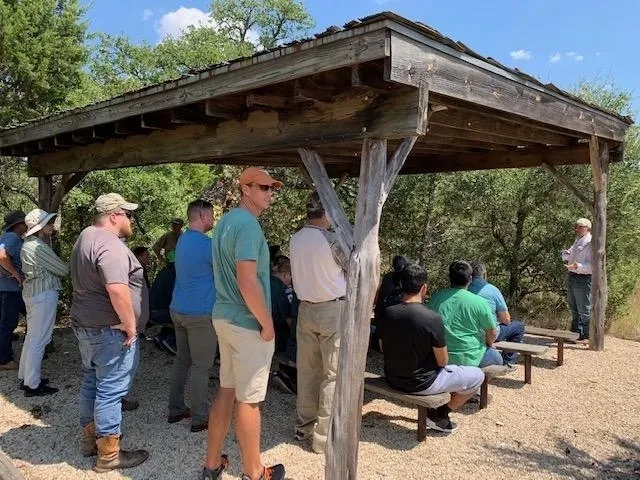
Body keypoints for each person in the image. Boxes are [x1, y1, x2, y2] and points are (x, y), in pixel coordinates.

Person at [203, 168, 285, 480]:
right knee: (249, 401)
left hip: (223, 316)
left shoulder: (225, 222)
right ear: (245, 189)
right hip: (246, 321)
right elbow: (247, 281)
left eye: (272, 188)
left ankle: (212, 465)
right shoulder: (248, 226)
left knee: (226, 391)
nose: (269, 193)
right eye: (263, 187)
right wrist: (267, 323)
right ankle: (255, 472)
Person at [71, 193, 149, 472]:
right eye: (127, 214)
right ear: (114, 216)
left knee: (91, 382)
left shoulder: (86, 237)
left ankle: (89, 440)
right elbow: (117, 288)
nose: (130, 219)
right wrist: (130, 324)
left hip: (87, 327)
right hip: (109, 331)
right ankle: (109, 455)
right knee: (110, 391)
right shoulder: (110, 244)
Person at [377, 263, 484, 433]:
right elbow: (443, 361)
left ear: (401, 285)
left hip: (393, 377)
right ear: (424, 288)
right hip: (422, 383)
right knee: (478, 375)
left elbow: (383, 347)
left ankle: (439, 414)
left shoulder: (387, 313)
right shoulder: (432, 318)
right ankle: (439, 415)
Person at [289, 191, 348, 454]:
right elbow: (353, 267)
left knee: (308, 370)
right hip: (331, 309)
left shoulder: (295, 238)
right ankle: (323, 438)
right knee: (332, 375)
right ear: (327, 213)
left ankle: (304, 425)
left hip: (305, 309)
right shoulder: (333, 240)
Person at [168, 199, 218, 433]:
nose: (214, 219)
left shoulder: (182, 240)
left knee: (182, 360)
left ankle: (176, 408)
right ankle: (200, 417)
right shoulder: (208, 245)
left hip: (178, 308)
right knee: (202, 366)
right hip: (200, 313)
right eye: (212, 215)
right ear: (202, 216)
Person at [18, 209, 68, 396]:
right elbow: (62, 270)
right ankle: (33, 384)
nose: (52, 225)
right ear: (40, 227)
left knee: (32, 337)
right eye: (48, 223)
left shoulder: (28, 244)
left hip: (33, 293)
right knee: (40, 339)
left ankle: (25, 377)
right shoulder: (38, 246)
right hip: (43, 294)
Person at [427, 261, 503, 368]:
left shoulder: (435, 298)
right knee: (497, 358)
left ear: (450, 278)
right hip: (470, 357)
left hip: (439, 355)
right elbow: (492, 331)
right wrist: (489, 344)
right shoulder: (479, 302)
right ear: (470, 279)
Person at [469, 262, 525, 364]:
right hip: (489, 333)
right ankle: (508, 361)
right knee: (519, 326)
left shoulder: (464, 289)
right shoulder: (492, 290)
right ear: (484, 274)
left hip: (469, 331)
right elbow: (506, 320)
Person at [0, 211, 27, 370]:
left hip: (4, 287)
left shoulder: (4, 236)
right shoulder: (13, 238)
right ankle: (4, 360)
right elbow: (2, 255)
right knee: (8, 324)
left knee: (5, 322)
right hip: (11, 289)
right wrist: (15, 273)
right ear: (19, 224)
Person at [270, 256, 298, 395]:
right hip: (276, 331)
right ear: (286, 274)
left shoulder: (267, 281)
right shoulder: (280, 289)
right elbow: (287, 317)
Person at [562, 218, 592, 343]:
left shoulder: (590, 243)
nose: (577, 229)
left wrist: (577, 266)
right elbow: (570, 253)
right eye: (577, 227)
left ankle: (586, 334)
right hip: (573, 276)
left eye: (580, 227)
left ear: (587, 228)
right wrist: (566, 255)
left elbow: (592, 266)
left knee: (584, 307)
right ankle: (575, 333)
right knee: (573, 305)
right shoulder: (578, 240)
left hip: (583, 278)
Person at [149, 261, 177, 354]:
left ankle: (162, 336)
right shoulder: (178, 272)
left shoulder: (166, 269)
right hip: (163, 312)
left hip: (151, 311)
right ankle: (171, 340)